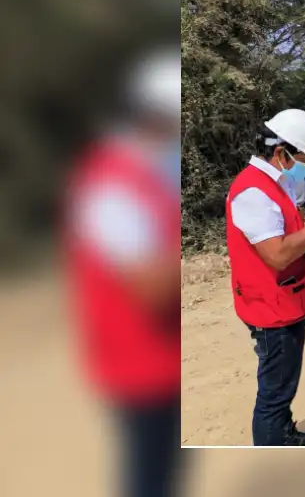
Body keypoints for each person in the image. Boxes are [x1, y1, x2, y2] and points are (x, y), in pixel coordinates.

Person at [66, 49, 184, 497]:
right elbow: (149, 286)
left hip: (160, 361)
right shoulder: (111, 185)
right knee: (148, 477)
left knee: (164, 470)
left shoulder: (144, 176)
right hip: (139, 365)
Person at [226, 108, 305, 446]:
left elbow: (280, 232)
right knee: (274, 392)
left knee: (284, 383)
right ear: (281, 152)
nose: (304, 166)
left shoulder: (270, 184)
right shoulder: (253, 192)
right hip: (270, 307)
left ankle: (285, 434)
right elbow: (276, 254)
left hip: (284, 300)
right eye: (302, 158)